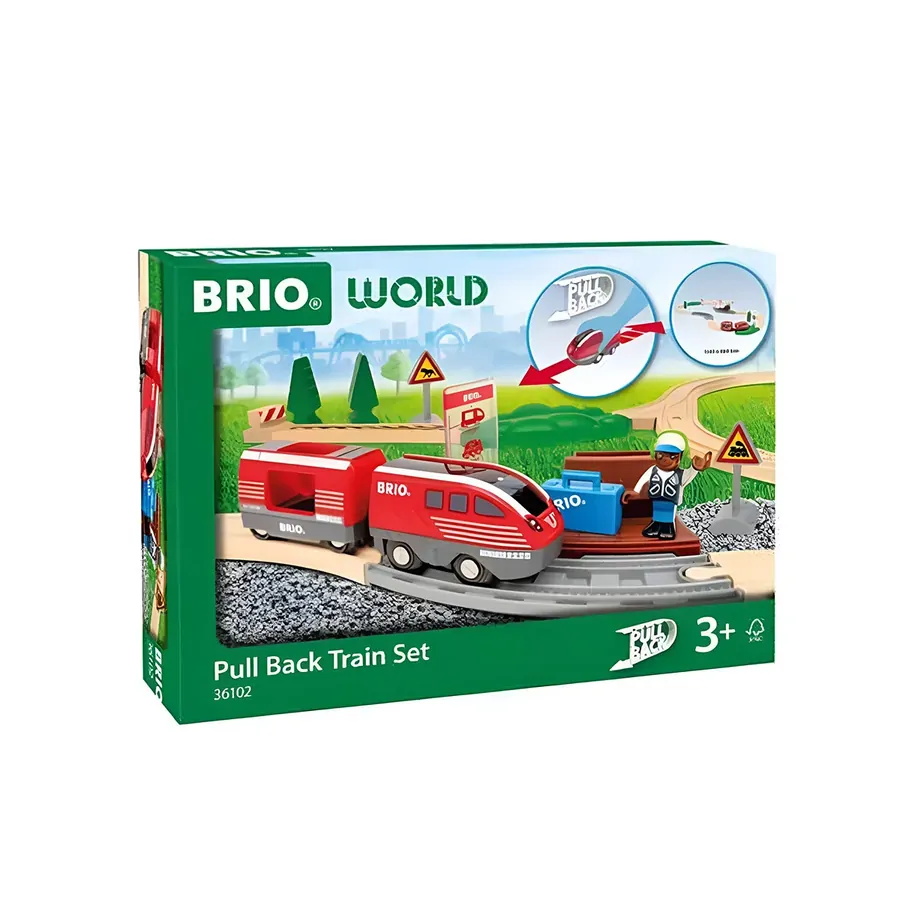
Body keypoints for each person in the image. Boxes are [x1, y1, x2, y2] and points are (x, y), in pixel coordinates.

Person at [622, 431, 712, 539]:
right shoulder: (653, 470)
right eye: (660, 455)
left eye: (672, 456)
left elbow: (688, 476)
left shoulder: (679, 474)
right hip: (656, 498)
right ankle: (655, 526)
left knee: (668, 515)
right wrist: (635, 492)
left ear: (680, 457)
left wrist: (695, 468)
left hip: (671, 499)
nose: (665, 459)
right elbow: (644, 479)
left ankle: (668, 529)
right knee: (657, 512)